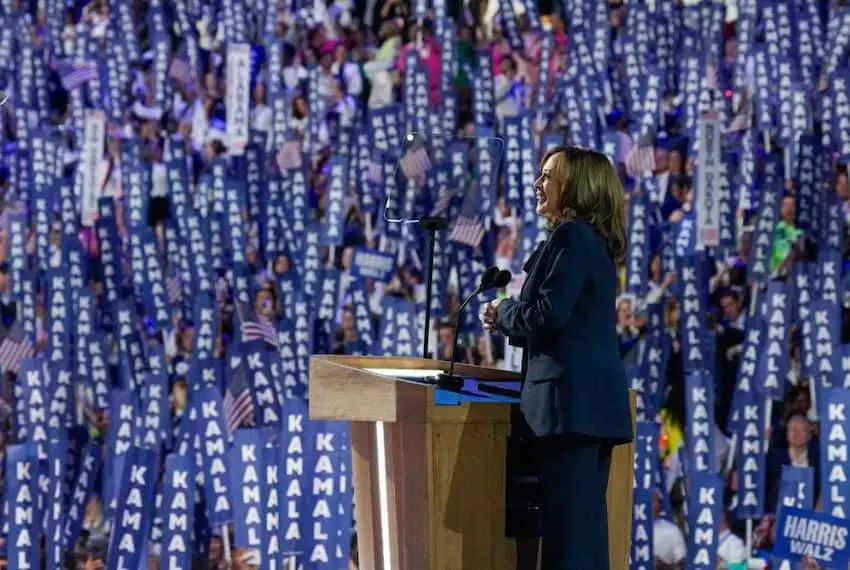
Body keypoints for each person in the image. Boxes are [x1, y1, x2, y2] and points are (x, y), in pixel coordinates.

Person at [480, 146, 633, 569]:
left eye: (548, 175)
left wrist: (503, 312)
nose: (537, 183)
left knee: (571, 547)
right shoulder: (588, 242)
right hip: (581, 411)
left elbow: (549, 314)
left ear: (577, 187)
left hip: (569, 410)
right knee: (578, 540)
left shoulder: (573, 237)